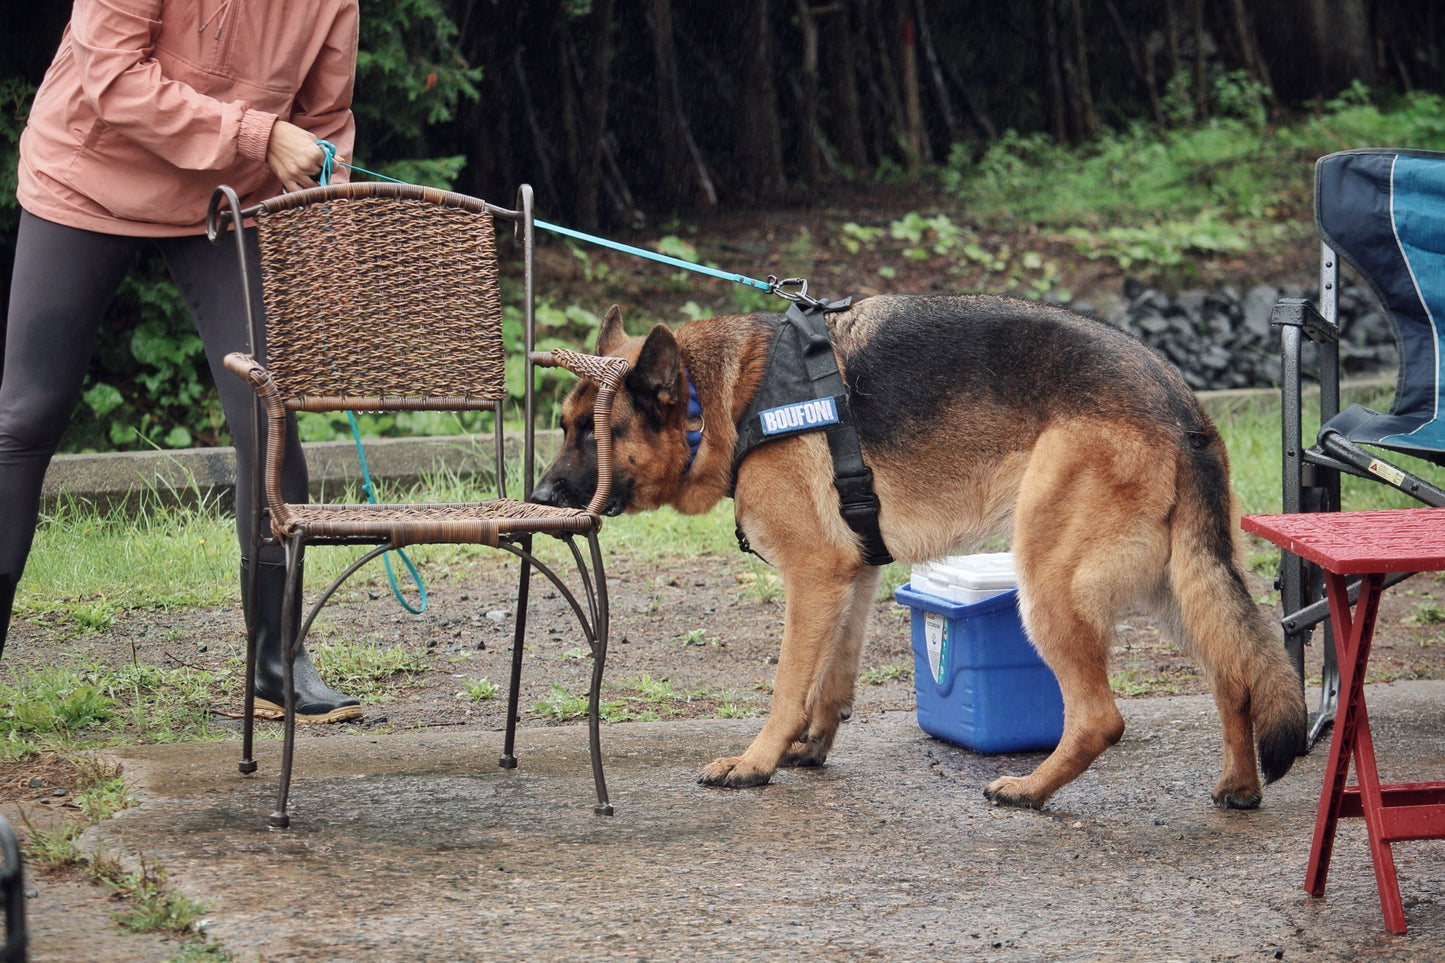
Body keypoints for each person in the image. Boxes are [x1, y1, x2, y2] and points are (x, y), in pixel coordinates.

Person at [0, 1, 363, 723]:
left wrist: (328, 251)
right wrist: (260, 134)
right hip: (89, 171)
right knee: (27, 412)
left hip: (233, 199)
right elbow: (111, 77)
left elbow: (324, 129)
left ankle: (275, 659)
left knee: (271, 413)